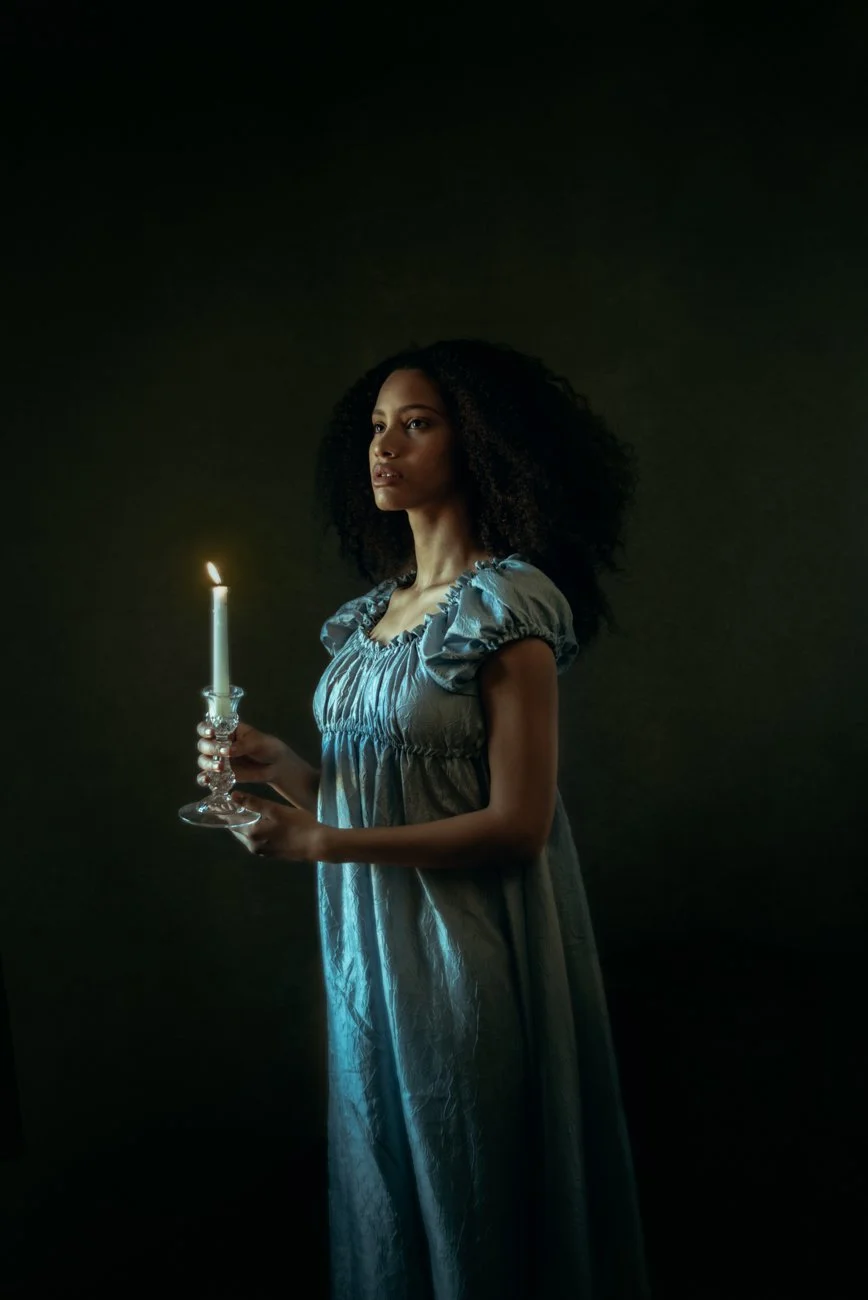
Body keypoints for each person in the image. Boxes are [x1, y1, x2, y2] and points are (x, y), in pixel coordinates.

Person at [196, 339, 650, 1299]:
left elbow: (517, 826)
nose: (384, 446)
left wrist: (322, 843)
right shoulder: (374, 618)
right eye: (375, 426)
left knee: (470, 1198)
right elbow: (376, 800)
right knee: (391, 1200)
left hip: (460, 958)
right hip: (369, 963)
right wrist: (277, 769)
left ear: (476, 442)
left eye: (418, 423)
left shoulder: (506, 606)